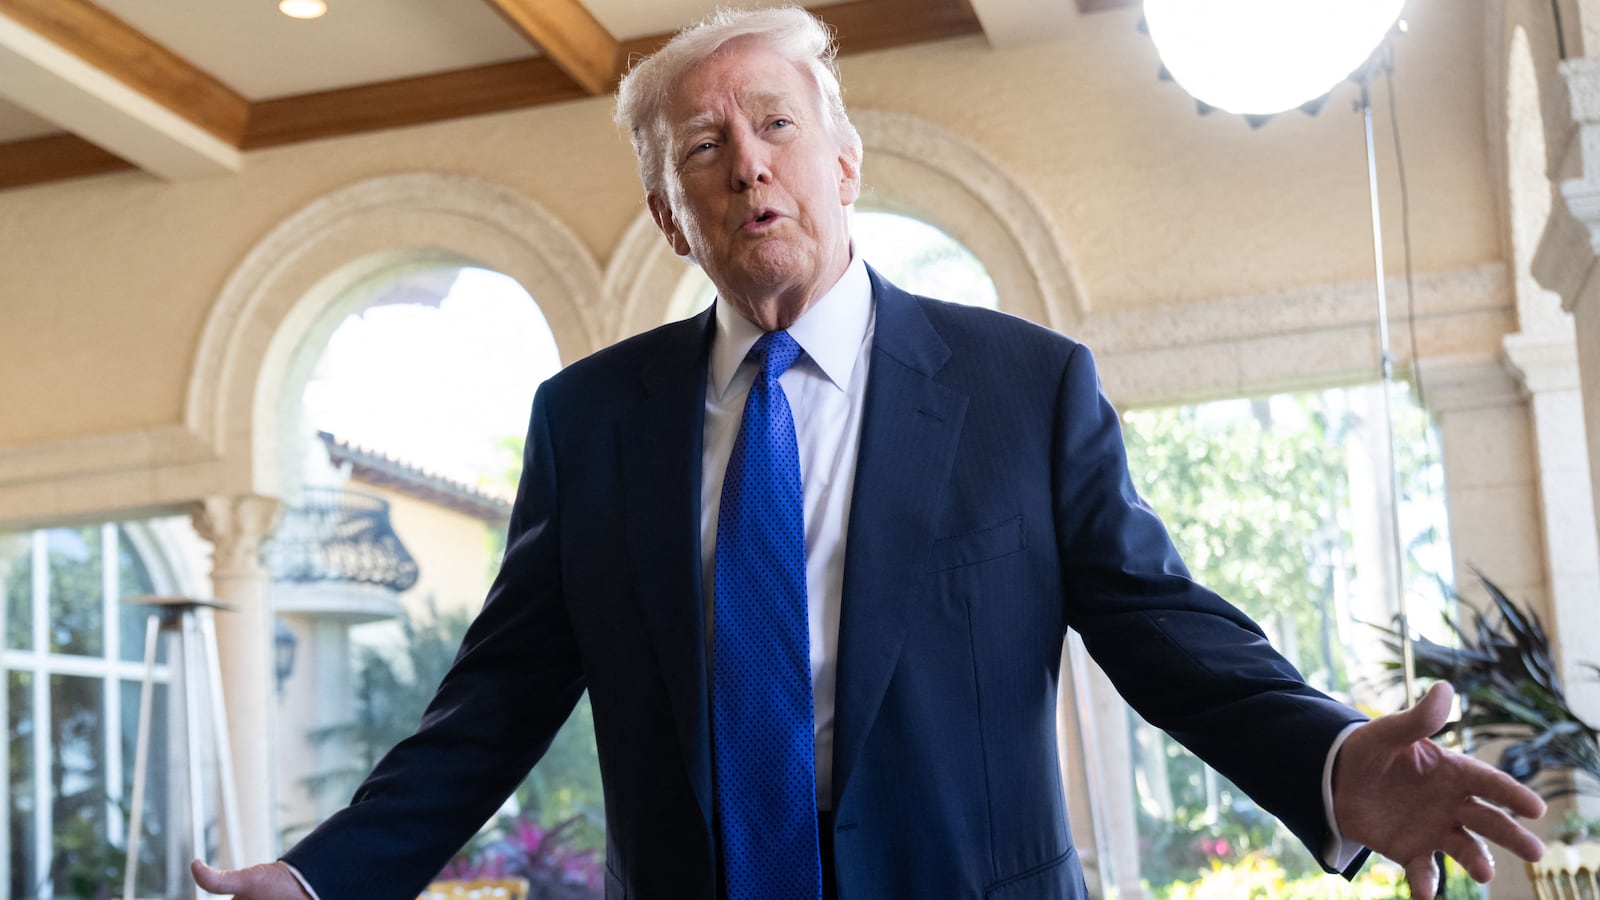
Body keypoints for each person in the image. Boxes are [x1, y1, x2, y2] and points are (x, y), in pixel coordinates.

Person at [193, 6, 1546, 899]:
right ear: (672, 216)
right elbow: (490, 707)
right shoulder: (591, 425)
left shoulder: (1026, 388)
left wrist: (1327, 761)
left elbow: (1165, 631)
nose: (747, 168)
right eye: (703, 150)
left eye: (777, 126)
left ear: (845, 164)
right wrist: (325, 878)